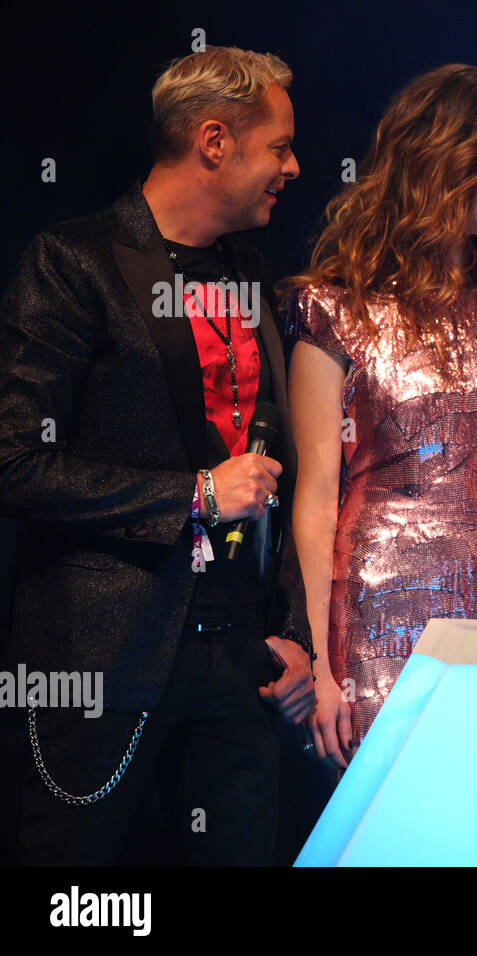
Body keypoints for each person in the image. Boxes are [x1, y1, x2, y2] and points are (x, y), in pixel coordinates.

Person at [0, 46, 315, 865]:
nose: (294, 165)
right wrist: (192, 497)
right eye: (278, 145)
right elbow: (15, 462)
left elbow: (272, 464)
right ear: (215, 141)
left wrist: (291, 630)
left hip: (241, 659)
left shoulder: (250, 270)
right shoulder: (75, 263)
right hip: (112, 658)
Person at [283, 64, 477, 766]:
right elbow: (316, 501)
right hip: (377, 614)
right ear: (452, 164)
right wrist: (321, 662)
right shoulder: (335, 308)